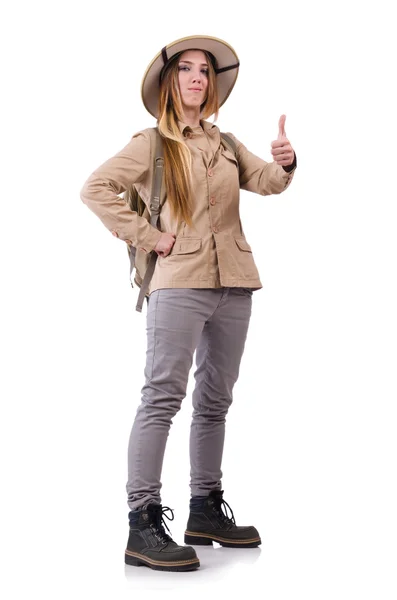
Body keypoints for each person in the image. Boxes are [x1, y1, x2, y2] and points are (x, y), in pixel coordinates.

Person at [80, 34, 297, 572]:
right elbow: (95, 188)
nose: (198, 77)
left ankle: (203, 510)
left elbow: (266, 182)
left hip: (235, 282)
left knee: (216, 401)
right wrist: (150, 237)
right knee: (162, 398)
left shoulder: (226, 144)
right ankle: (142, 523)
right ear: (169, 82)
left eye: (205, 71)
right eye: (187, 69)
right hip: (179, 282)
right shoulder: (151, 144)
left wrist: (286, 162)